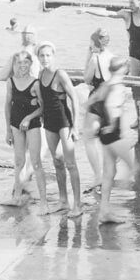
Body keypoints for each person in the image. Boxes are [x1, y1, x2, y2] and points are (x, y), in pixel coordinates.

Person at [86, 56, 136, 224]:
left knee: (109, 172)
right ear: (122, 69)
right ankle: (122, 188)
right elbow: (110, 106)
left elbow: (90, 102)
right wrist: (112, 123)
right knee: (133, 166)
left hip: (104, 133)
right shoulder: (117, 86)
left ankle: (104, 211)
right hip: (113, 132)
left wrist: (99, 121)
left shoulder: (105, 84)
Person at [37, 41, 82, 217]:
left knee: (70, 163)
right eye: (41, 55)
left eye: (48, 55)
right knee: (57, 161)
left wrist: (75, 126)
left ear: (53, 56)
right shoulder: (40, 74)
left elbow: (74, 99)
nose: (45, 58)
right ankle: (63, 201)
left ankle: (77, 205)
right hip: (48, 122)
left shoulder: (60, 74)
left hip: (64, 122)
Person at [5, 51, 48, 211]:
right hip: (15, 124)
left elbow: (42, 107)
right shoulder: (10, 81)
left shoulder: (35, 83)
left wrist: (29, 118)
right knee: (19, 161)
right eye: (19, 63)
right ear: (14, 65)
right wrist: (8, 129)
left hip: (33, 123)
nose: (22, 66)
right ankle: (16, 196)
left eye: (25, 62)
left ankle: (44, 201)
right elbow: (7, 106)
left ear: (31, 64)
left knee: (36, 162)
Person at [79, 0, 140, 77]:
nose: (129, 5)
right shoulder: (127, 15)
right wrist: (87, 10)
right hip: (135, 55)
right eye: (129, 2)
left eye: (132, 2)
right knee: (136, 84)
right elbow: (107, 13)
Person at [82, 28, 114, 193]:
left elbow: (86, 78)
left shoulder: (95, 58)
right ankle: (107, 176)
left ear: (94, 43)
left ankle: (97, 176)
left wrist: (88, 56)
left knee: (88, 137)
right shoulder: (112, 56)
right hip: (111, 99)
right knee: (105, 141)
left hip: (97, 100)